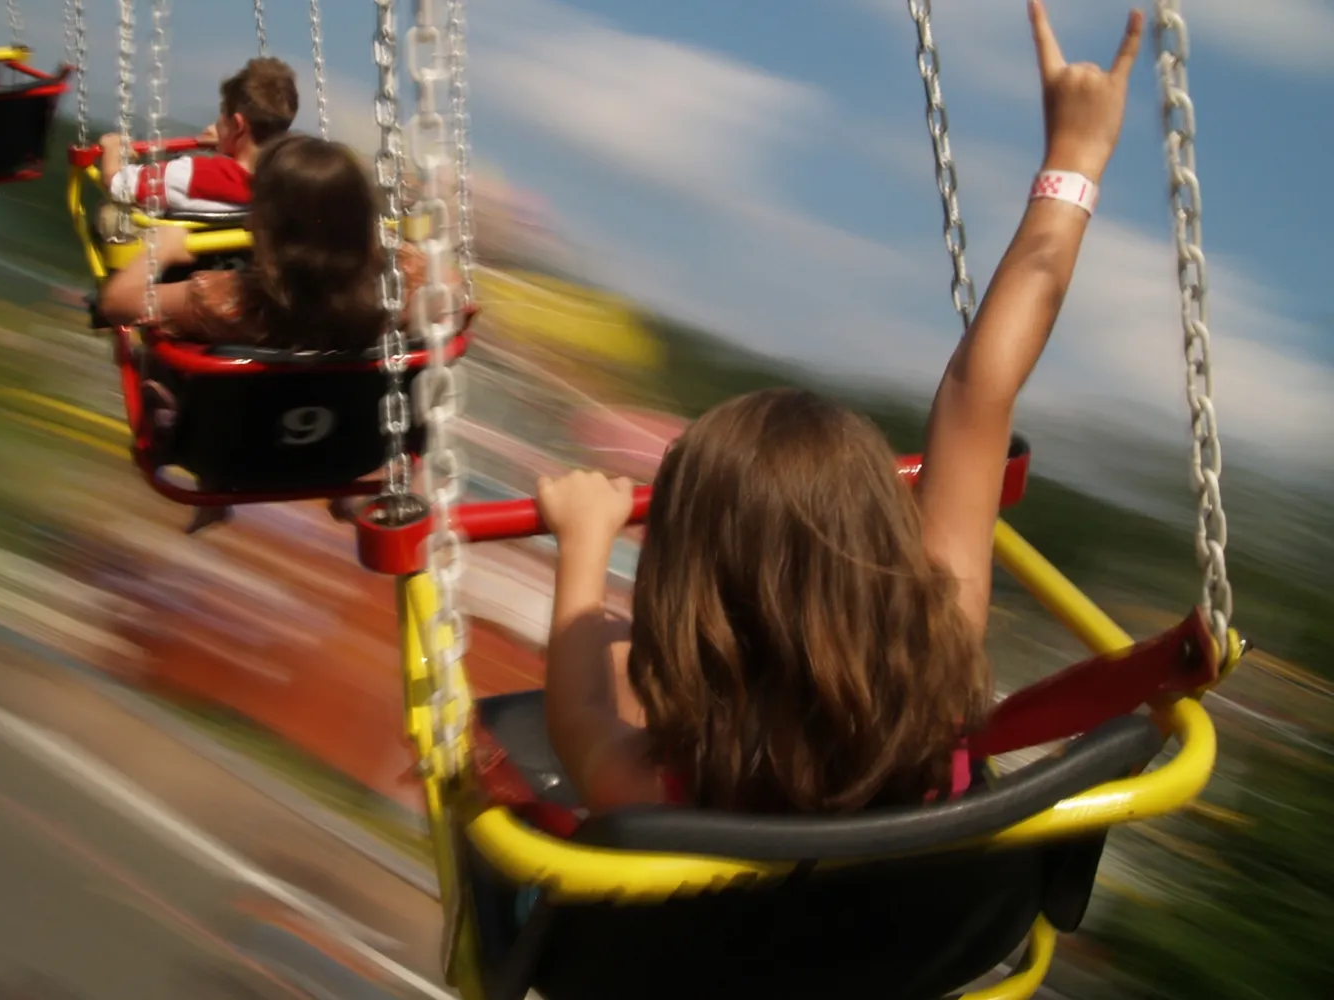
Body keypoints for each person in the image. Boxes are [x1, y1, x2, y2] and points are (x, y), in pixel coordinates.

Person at [533, 1, 1144, 816]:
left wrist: (582, 543)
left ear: (690, 582)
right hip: (911, 943)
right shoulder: (939, 673)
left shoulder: (658, 784)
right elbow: (980, 389)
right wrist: (1077, 157)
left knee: (609, 657)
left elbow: (574, 713)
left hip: (717, 939)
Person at [98, 133, 438, 532]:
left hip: (228, 455)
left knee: (157, 351)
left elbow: (116, 302)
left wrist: (161, 249)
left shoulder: (224, 299)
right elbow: (453, 296)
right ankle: (344, 492)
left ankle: (214, 493)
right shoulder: (401, 287)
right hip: (356, 454)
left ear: (261, 221)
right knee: (391, 368)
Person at [98, 56, 298, 218]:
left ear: (237, 125)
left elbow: (118, 184)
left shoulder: (192, 175)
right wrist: (227, 143)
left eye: (223, 113)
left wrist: (113, 148)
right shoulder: (281, 187)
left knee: (109, 217)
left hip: (168, 260)